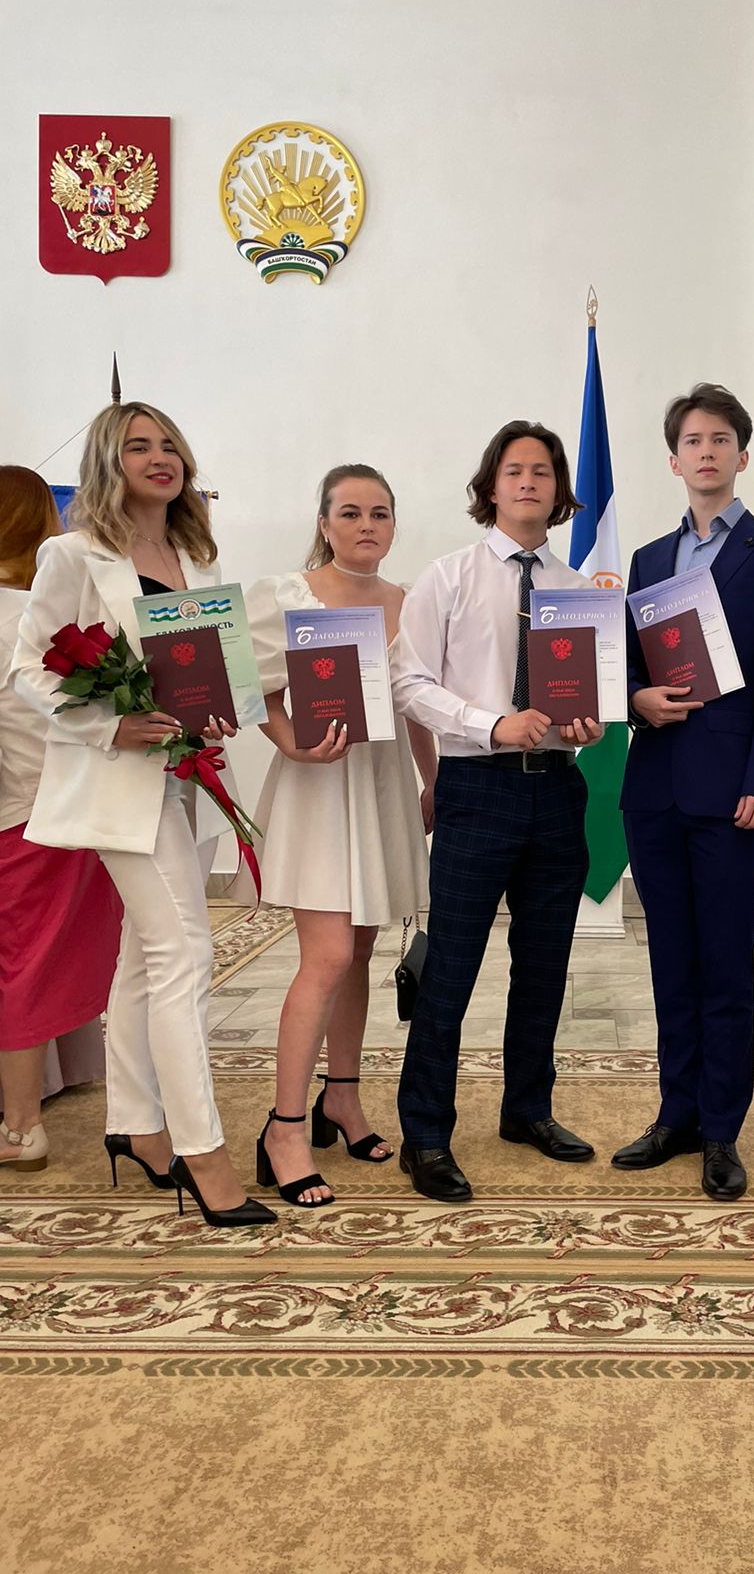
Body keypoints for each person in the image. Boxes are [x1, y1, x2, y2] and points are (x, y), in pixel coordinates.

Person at [11, 403, 275, 1227]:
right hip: (117, 782)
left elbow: (207, 668)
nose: (160, 458)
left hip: (183, 778)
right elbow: (28, 669)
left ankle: (135, 1126)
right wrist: (108, 724)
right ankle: (203, 1152)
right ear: (107, 460)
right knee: (185, 954)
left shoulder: (196, 554)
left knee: (140, 958)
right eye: (138, 447)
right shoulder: (72, 553)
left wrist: (223, 711)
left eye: (169, 446)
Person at [392, 420, 602, 1202]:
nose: (528, 483)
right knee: (450, 970)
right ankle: (425, 1134)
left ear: (559, 491)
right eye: (514, 470)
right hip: (476, 788)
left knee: (544, 967)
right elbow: (408, 683)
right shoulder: (446, 577)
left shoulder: (578, 591)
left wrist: (589, 723)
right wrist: (490, 724)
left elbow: (592, 693)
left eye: (542, 471)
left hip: (558, 789)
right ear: (489, 487)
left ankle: (527, 1110)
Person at [613, 383, 754, 1201]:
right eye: (692, 440)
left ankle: (722, 1129)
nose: (705, 451)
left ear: (741, 454)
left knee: (725, 966)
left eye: (719, 439)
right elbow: (627, 665)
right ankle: (677, 1115)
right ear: (673, 459)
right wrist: (636, 700)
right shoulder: (648, 559)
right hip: (655, 786)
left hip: (732, 791)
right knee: (671, 962)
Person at [243, 465, 436, 1205]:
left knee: (359, 950)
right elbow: (250, 683)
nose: (366, 525)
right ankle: (284, 1128)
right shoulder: (290, 595)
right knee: (325, 956)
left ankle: (343, 1097)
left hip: (382, 784)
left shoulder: (408, 603)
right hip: (320, 788)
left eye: (379, 513)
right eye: (350, 512)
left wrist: (432, 780)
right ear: (324, 523)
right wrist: (290, 743)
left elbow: (417, 704)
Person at [0, 465, 122, 1170]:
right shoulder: (53, 613)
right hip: (68, 804)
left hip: (18, 815)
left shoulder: (17, 615)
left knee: (20, 964)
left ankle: (21, 1127)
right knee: (48, 958)